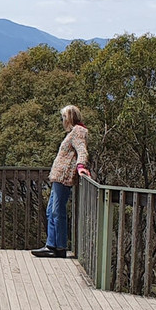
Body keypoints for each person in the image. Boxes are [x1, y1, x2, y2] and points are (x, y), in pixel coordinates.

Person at [31, 105, 90, 258]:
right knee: (52, 210)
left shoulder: (78, 132)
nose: (62, 120)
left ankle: (58, 247)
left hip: (64, 177)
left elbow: (82, 151)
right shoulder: (74, 132)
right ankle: (52, 245)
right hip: (59, 177)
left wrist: (81, 166)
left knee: (57, 211)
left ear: (69, 117)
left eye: (64, 117)